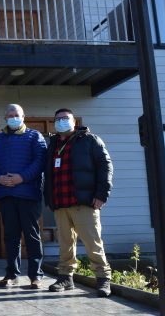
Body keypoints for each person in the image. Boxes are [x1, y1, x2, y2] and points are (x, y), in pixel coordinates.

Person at [44, 108, 113, 297]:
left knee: (93, 243)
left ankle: (103, 279)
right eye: (57, 119)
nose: (61, 121)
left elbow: (105, 165)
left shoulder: (90, 140)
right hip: (60, 202)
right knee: (65, 244)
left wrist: (102, 194)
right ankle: (66, 278)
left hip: (84, 202)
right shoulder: (53, 144)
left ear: (74, 121)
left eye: (65, 118)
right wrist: (49, 198)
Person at [0, 103, 47, 289]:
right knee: (11, 236)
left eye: (16, 114)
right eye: (9, 115)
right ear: (5, 118)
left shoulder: (35, 136)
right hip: (6, 194)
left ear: (23, 116)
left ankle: (36, 275)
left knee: (32, 236)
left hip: (28, 194)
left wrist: (22, 177)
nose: (13, 118)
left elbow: (40, 161)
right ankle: (11, 275)